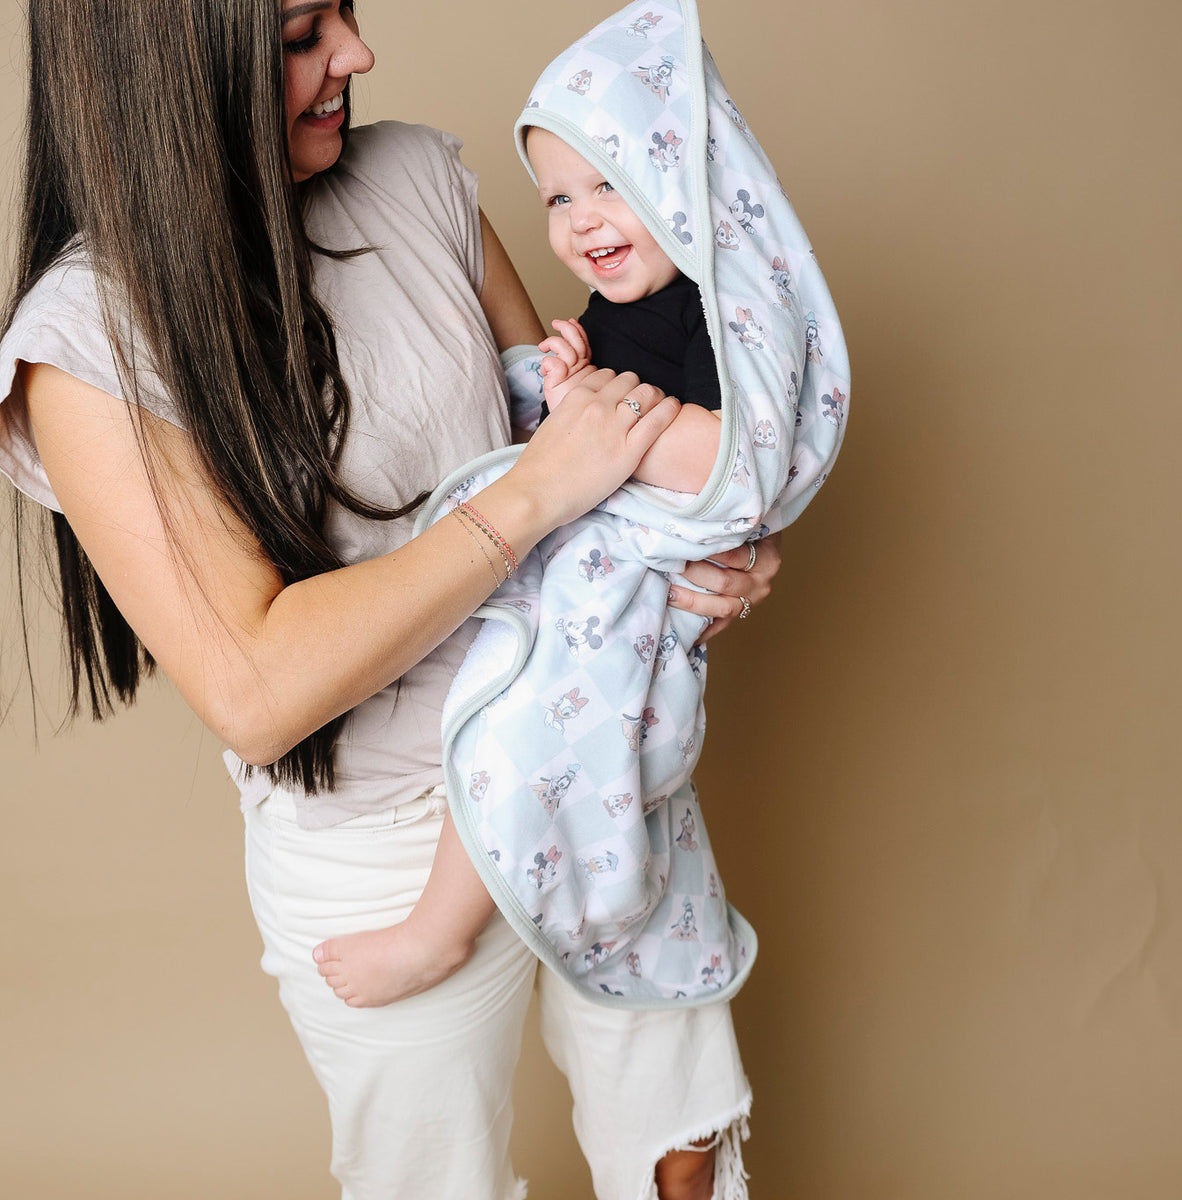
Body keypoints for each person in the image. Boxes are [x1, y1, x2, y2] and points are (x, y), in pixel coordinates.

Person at [0, 2, 781, 1197]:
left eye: (345, 16)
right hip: (382, 841)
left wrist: (707, 549)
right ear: (173, 72)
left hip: (589, 750)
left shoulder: (415, 176)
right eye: (302, 35)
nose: (357, 56)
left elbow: (588, 446)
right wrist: (531, 498)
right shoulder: (87, 341)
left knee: (680, 1135)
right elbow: (257, 691)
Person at [308, 125, 733, 1009]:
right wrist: (562, 379)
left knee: (527, 728)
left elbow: (724, 464)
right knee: (508, 693)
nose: (583, 221)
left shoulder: (715, 308)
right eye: (559, 200)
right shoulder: (619, 298)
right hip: (586, 545)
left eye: (609, 188)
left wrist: (585, 410)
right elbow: (573, 432)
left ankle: (439, 930)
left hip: (635, 571)